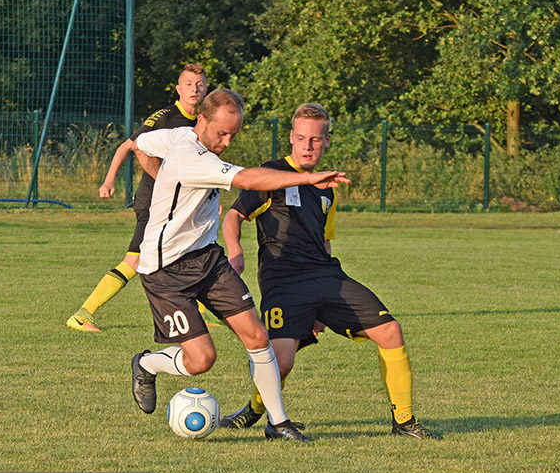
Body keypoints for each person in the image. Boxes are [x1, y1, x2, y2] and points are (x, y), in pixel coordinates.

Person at [129, 90, 349, 442]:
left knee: (258, 336)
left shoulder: (179, 135)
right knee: (202, 360)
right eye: (222, 133)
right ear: (202, 120)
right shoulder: (189, 156)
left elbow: (141, 143)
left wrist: (165, 185)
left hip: (207, 259)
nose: (228, 142)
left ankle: (278, 423)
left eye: (234, 134)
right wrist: (307, 178)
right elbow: (248, 179)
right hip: (166, 271)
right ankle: (146, 364)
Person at [218, 103, 441, 440]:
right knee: (281, 361)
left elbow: (324, 242)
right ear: (291, 137)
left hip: (325, 277)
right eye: (301, 138)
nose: (307, 146)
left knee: (390, 331)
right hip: (283, 282)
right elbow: (233, 216)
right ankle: (255, 411)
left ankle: (405, 422)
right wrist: (235, 251)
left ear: (327, 141)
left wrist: (322, 307)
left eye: (315, 139)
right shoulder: (270, 175)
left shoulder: (327, 189)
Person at [66, 63, 211, 332]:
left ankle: (201, 315)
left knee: (192, 250)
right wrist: (109, 180)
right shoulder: (166, 117)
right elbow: (128, 146)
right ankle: (82, 315)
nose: (194, 89)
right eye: (189, 84)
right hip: (153, 201)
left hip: (178, 203)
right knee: (134, 260)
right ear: (178, 89)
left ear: (206, 89)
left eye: (199, 84)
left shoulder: (202, 122)